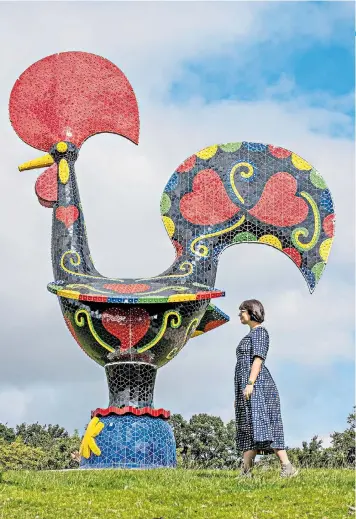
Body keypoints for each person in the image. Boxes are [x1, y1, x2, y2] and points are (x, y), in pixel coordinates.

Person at [234, 299, 299, 478]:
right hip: (248, 388)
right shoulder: (249, 335)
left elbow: (258, 359)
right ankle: (246, 472)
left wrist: (250, 383)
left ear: (252, 312)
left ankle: (287, 467)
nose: (239, 314)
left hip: (259, 387)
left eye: (242, 311)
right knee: (248, 427)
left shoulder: (260, 333)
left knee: (267, 425)